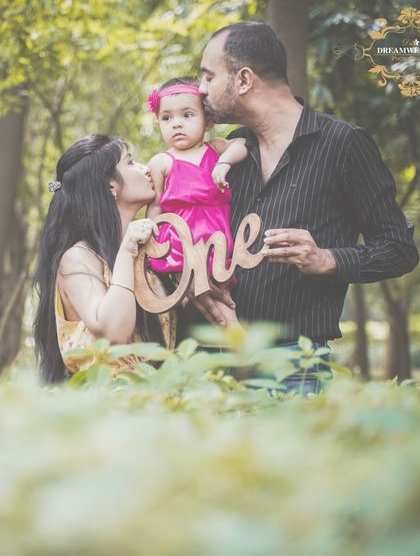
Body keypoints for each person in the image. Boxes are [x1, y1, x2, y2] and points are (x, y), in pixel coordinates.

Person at [196, 21, 419, 393]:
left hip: (295, 367)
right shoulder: (229, 151)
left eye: (208, 76)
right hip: (216, 361)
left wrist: (326, 259)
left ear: (244, 79)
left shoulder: (344, 144)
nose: (200, 89)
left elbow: (399, 250)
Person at [34, 134, 176, 383]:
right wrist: (127, 251)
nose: (145, 169)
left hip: (154, 406)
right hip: (105, 409)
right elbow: (113, 332)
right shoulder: (77, 258)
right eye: (130, 162)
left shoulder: (150, 255)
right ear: (111, 185)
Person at [145, 76, 248, 327]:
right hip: (184, 240)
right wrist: (154, 246)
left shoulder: (215, 148)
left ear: (208, 120)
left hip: (217, 235)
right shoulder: (162, 162)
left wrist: (224, 163)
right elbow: (156, 207)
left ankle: (232, 350)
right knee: (194, 304)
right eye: (167, 118)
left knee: (218, 295)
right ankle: (240, 348)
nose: (176, 125)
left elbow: (243, 143)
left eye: (187, 115)